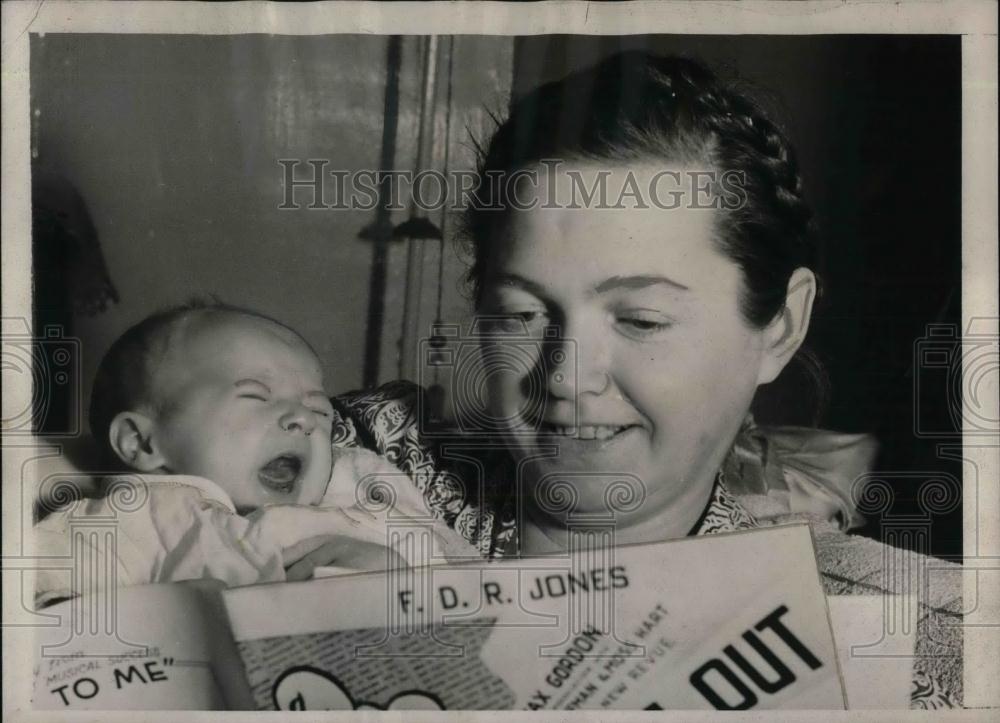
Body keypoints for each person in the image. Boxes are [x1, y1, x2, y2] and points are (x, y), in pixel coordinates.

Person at [331, 52, 961, 708]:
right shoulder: (341, 463)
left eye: (641, 319)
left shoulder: (890, 644)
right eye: (521, 312)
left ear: (779, 325)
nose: (568, 375)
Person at [34, 302, 466, 607]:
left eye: (319, 409)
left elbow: (479, 583)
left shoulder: (363, 487)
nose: (304, 420)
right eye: (257, 397)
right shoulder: (141, 517)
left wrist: (412, 586)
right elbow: (44, 603)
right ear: (142, 443)